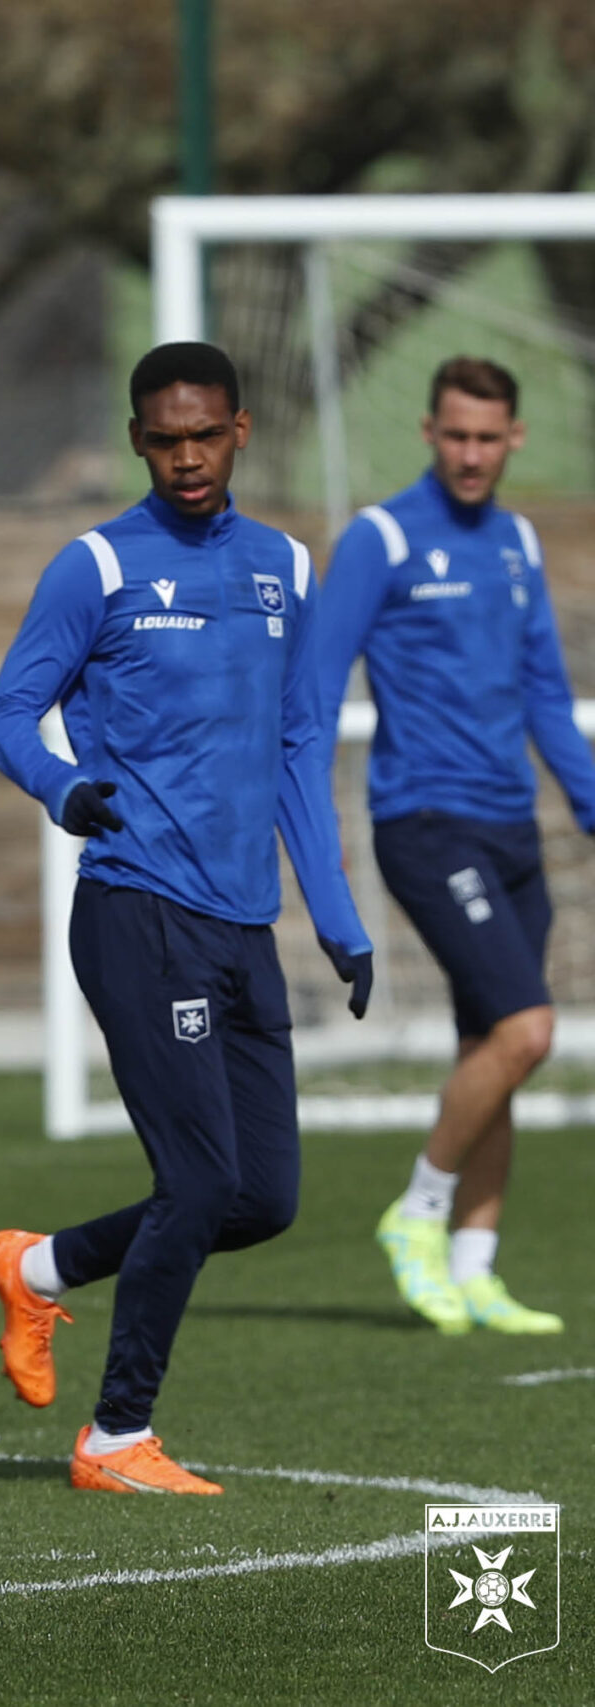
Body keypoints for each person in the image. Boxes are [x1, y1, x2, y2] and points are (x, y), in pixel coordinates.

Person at [0, 342, 372, 1496]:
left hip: (244, 927)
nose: (186, 457)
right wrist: (64, 789)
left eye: (205, 436)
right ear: (140, 440)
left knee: (260, 1200)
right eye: (164, 439)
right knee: (198, 1184)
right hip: (137, 911)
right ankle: (115, 1438)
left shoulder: (284, 568)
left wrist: (337, 919)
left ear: (239, 431)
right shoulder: (95, 567)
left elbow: (301, 747)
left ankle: (39, 1269)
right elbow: (7, 716)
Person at [316, 355, 586, 1337]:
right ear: (428, 433)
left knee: (493, 1050)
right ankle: (416, 1213)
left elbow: (547, 700)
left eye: (488, 438)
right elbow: (313, 691)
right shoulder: (380, 539)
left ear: (513, 439)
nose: (471, 454)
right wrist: (311, 842)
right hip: (425, 826)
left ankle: (475, 1268)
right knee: (527, 1030)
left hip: (512, 828)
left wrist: (589, 803)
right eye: (455, 435)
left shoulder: (514, 540)